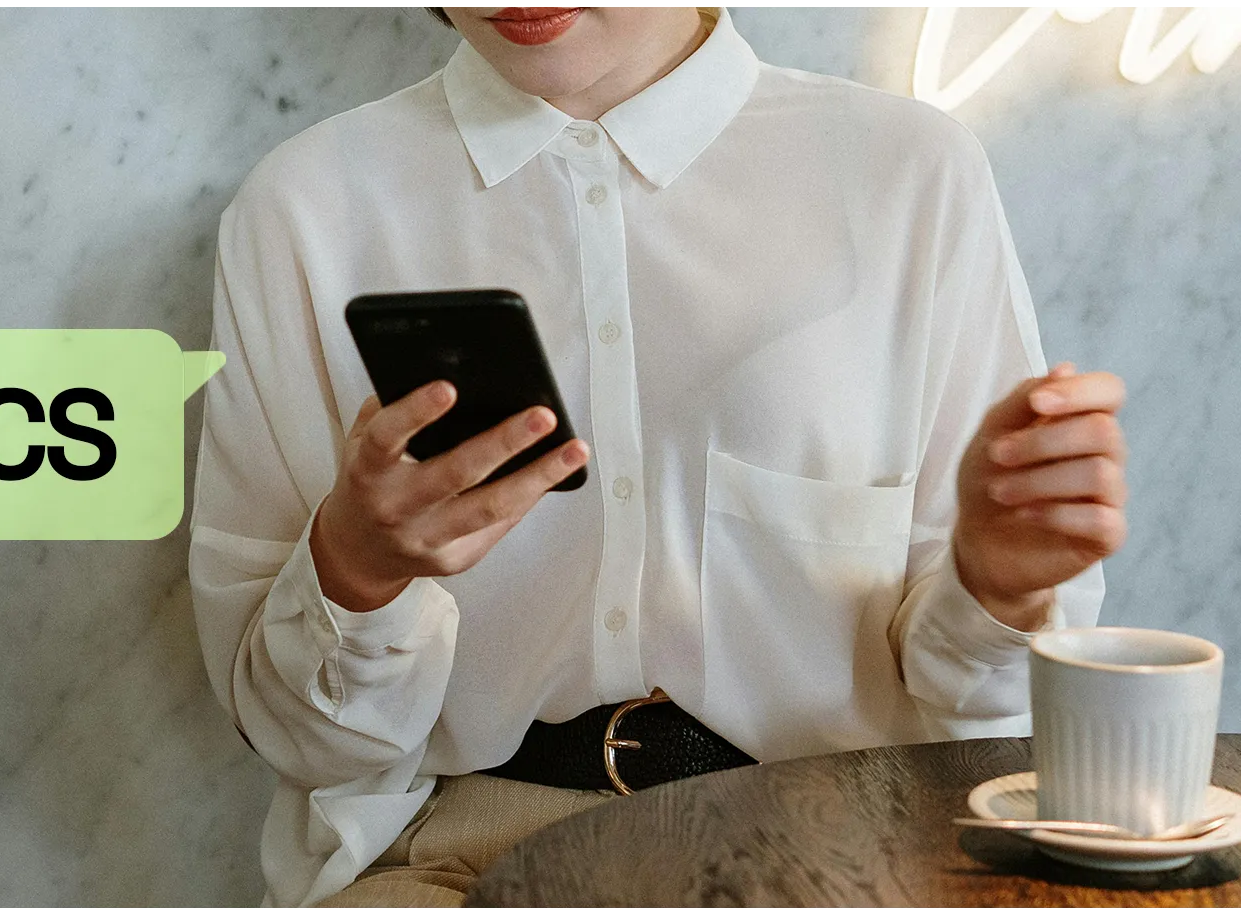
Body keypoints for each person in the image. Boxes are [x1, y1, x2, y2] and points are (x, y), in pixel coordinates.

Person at [189, 3, 1126, 910]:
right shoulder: (307, 205)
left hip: (835, 849)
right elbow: (305, 744)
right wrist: (357, 570)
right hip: (452, 860)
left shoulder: (906, 173)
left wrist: (996, 591)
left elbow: (987, 716)